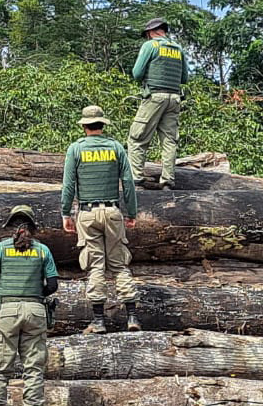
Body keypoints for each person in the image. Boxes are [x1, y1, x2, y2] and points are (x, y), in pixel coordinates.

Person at [60, 105, 141, 333]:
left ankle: (98, 321)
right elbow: (128, 183)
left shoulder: (75, 149)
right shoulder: (115, 148)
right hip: (113, 211)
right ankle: (132, 317)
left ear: (84, 126)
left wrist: (67, 213)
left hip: (86, 213)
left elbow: (68, 186)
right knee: (119, 264)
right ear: (102, 125)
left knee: (95, 265)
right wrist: (131, 213)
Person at [0, 205, 59, 406]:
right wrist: (36, 295)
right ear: (33, 227)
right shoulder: (42, 251)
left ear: (10, 227)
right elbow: (53, 285)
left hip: (6, 311)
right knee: (34, 369)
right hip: (36, 311)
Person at [126, 17, 187, 190]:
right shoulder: (178, 48)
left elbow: (137, 73)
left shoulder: (150, 46)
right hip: (174, 98)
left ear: (151, 32)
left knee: (137, 138)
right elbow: (184, 78)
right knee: (169, 141)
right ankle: (167, 181)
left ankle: (136, 180)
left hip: (154, 97)